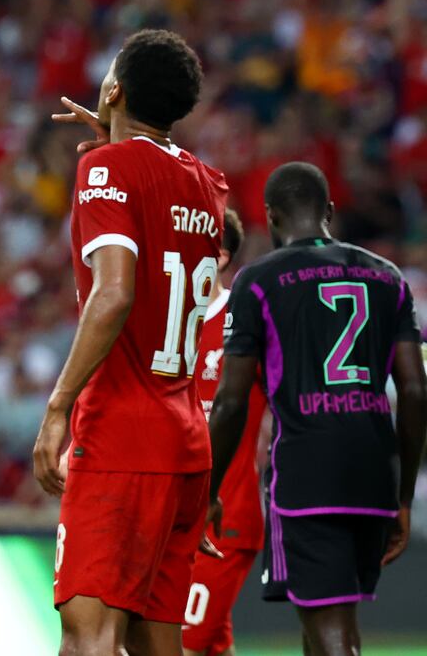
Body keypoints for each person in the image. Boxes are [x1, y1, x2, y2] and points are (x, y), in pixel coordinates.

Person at [32, 28, 228, 656]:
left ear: (115, 88)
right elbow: (165, 186)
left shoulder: (105, 167)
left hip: (122, 431)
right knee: (156, 640)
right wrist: (121, 140)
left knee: (90, 634)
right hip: (186, 438)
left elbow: (113, 293)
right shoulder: (209, 183)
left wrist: (60, 404)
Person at [206, 161, 427, 656]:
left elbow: (232, 398)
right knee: (328, 619)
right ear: (328, 211)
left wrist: (210, 489)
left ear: (269, 216)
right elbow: (414, 392)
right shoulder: (387, 278)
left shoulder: (258, 281)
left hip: (307, 470)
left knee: (332, 638)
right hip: (374, 473)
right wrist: (404, 496)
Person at [183, 209, 268, 656]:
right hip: (174, 518)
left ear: (218, 257)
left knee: (180, 646)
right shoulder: (167, 322)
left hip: (225, 517)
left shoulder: (246, 317)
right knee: (210, 644)